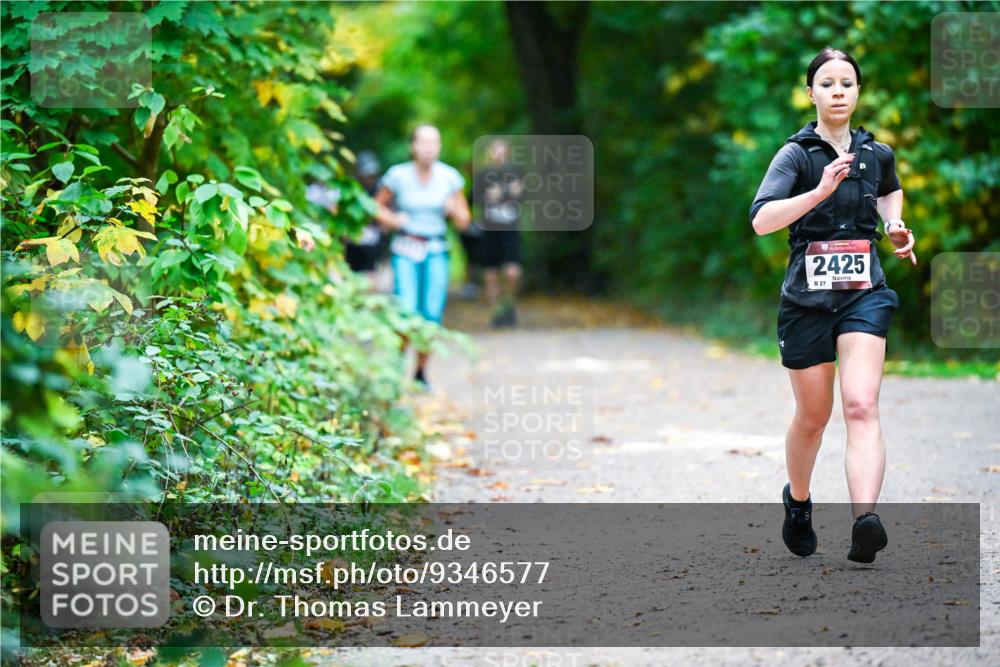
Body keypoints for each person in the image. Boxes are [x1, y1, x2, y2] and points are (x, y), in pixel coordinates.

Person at [749, 48, 917, 563]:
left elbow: (890, 191)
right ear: (812, 94)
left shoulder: (877, 153)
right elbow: (761, 220)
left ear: (858, 92)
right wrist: (820, 191)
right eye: (827, 83)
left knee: (861, 405)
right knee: (813, 417)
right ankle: (798, 503)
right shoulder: (795, 155)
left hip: (863, 294)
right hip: (807, 301)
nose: (838, 90)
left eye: (847, 82)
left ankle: (865, 520)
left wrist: (893, 227)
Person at [374, 124, 471, 388]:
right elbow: (374, 207)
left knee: (431, 314)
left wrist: (454, 210)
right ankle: (396, 369)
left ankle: (419, 373)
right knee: (405, 310)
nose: (429, 149)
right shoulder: (397, 175)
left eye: (434, 143)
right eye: (424, 143)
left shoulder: (450, 178)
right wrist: (393, 219)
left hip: (436, 249)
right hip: (406, 248)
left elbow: (465, 220)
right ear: (413, 147)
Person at [473, 138, 524, 328]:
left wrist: (517, 193)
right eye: (495, 151)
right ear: (489, 154)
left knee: (512, 273)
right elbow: (475, 200)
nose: (498, 154)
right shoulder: (483, 175)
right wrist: (489, 197)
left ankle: (509, 306)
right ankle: (496, 312)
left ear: (507, 152)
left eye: (501, 150)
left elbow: (525, 197)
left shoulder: (516, 173)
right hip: (490, 230)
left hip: (510, 230)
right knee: (491, 273)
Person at [345, 151, 387, 288]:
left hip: (373, 243)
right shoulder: (349, 188)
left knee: (371, 279)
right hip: (351, 242)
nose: (369, 178)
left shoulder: (380, 188)